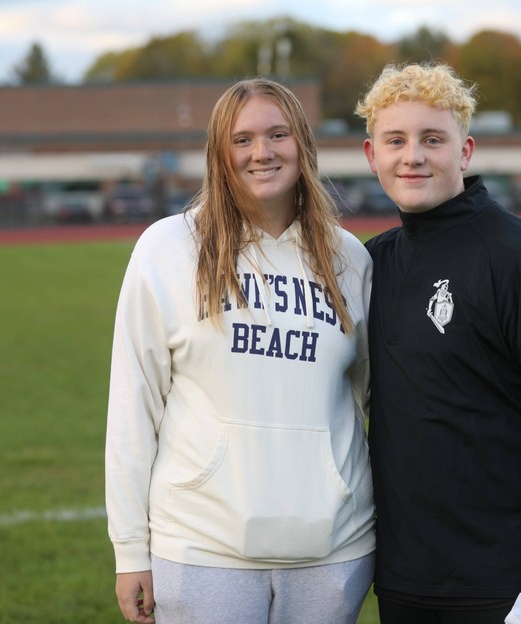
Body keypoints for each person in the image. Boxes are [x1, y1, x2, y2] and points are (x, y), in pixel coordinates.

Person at [355, 62, 521, 624]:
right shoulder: (371, 263)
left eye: (433, 139)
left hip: (513, 575)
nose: (413, 156)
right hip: (406, 578)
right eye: (395, 141)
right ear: (370, 155)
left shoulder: (519, 259)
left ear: (466, 151)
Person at [105, 78, 375, 624]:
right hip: (203, 552)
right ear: (219, 154)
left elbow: (381, 401)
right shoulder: (168, 248)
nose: (262, 152)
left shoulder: (350, 259)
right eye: (243, 139)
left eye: (278, 134)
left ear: (303, 144)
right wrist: (131, 550)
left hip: (334, 552)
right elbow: (133, 406)